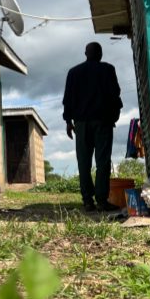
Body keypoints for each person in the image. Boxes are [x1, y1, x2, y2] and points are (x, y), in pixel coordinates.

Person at [62, 42, 122, 212]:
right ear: (100, 54)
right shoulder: (108, 69)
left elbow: (68, 99)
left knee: (84, 161)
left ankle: (88, 201)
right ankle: (102, 201)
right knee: (103, 161)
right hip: (102, 122)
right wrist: (113, 116)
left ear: (85, 53)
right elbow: (115, 94)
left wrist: (68, 121)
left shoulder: (74, 72)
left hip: (81, 124)